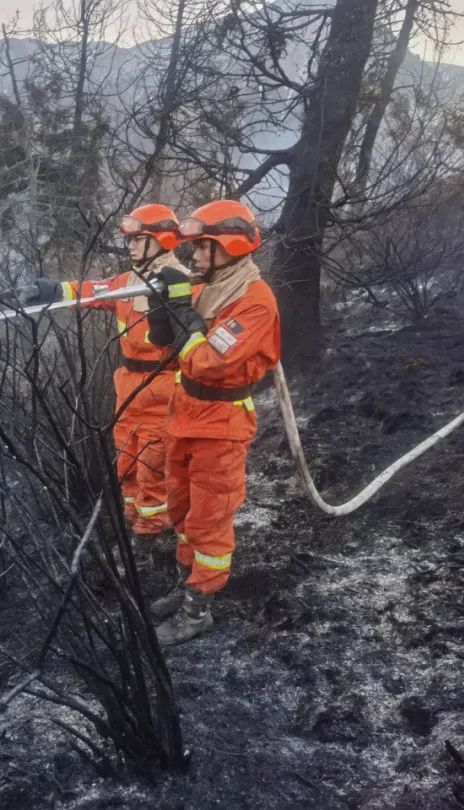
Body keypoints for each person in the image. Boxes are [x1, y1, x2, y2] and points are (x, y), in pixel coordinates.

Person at [12, 204, 191, 570]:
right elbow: (94, 290)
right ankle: (136, 530)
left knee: (153, 472)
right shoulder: (127, 282)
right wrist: (54, 291)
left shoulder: (182, 282)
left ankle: (148, 543)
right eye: (129, 240)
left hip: (164, 389)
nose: (130, 246)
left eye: (138, 240)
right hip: (127, 389)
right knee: (126, 465)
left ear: (160, 240)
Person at [145, 199, 281, 646]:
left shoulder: (255, 302)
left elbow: (208, 361)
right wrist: (162, 309)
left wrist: (184, 312)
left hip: (220, 424)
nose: (196, 256)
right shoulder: (213, 285)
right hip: (185, 414)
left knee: (209, 519)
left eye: (203, 248)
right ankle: (186, 585)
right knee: (182, 511)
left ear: (229, 247)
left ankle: (198, 610)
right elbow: (171, 345)